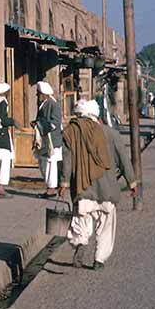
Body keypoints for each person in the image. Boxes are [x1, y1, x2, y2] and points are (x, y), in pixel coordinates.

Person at [59, 99, 137, 270]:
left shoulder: (71, 132)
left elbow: (66, 161)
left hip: (82, 187)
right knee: (106, 224)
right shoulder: (111, 133)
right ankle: (99, 259)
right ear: (96, 115)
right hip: (107, 188)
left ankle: (80, 242)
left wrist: (63, 182)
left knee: (81, 219)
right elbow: (124, 160)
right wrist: (132, 182)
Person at [32, 81, 63, 197]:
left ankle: (51, 189)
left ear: (43, 93)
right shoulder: (44, 104)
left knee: (51, 164)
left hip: (52, 140)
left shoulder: (53, 105)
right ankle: (50, 186)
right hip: (45, 139)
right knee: (43, 163)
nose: (37, 95)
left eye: (38, 93)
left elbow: (55, 123)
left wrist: (40, 125)